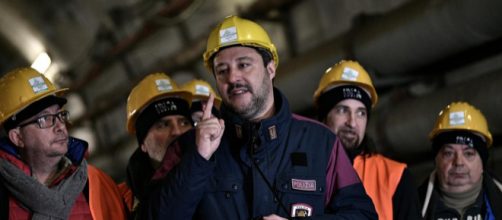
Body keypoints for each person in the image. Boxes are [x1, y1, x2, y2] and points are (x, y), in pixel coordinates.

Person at [149, 15, 377, 219]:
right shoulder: (189, 149)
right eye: (222, 70)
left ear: (270, 69)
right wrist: (198, 160)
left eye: (243, 65)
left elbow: (363, 216)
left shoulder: (320, 142)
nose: (233, 77)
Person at [0, 67, 127, 219]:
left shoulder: (96, 183)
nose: (60, 126)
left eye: (60, 115)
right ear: (17, 137)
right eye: (44, 119)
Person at [313, 60, 421, 219]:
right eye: (343, 110)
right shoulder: (300, 169)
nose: (352, 122)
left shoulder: (395, 176)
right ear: (324, 117)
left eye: (361, 113)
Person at [118, 72, 194, 218]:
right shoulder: (123, 202)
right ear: (143, 144)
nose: (177, 132)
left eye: (184, 122)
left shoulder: (217, 174)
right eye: (163, 125)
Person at [419, 102, 502, 219]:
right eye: (448, 153)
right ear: (436, 160)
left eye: (468, 153)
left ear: (482, 162)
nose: (458, 162)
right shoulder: (410, 208)